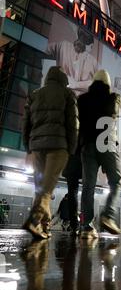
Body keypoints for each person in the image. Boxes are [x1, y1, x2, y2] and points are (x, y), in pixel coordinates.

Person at [22, 66, 79, 239]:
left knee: (41, 188)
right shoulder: (67, 94)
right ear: (63, 79)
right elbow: (73, 124)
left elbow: (26, 123)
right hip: (58, 145)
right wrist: (71, 148)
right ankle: (34, 219)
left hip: (37, 147)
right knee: (48, 187)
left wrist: (28, 147)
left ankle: (44, 226)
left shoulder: (34, 94)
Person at [78, 69, 121, 238]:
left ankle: (87, 227)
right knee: (115, 182)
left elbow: (79, 124)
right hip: (106, 142)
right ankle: (108, 216)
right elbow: (112, 116)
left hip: (88, 145)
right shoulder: (113, 97)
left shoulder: (82, 100)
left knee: (88, 186)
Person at [47, 27, 98, 95]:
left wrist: (75, 84)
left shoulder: (62, 45)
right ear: (91, 46)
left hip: (57, 94)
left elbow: (43, 48)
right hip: (69, 98)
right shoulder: (93, 61)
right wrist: (75, 84)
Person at [62, 149, 82, 235]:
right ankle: (86, 225)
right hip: (83, 161)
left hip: (69, 163)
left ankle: (74, 225)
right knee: (88, 189)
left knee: (72, 192)